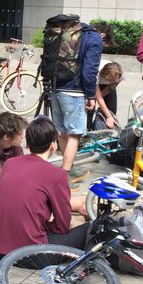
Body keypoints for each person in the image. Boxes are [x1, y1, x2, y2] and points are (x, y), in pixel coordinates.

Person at [0, 116, 88, 258]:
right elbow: (62, 226)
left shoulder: (10, 163)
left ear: (28, 145)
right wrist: (46, 226)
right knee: (92, 228)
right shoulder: (57, 175)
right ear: (53, 145)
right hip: (31, 254)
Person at [47, 15, 103, 177]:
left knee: (63, 132)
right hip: (75, 91)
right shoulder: (93, 38)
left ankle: (69, 167)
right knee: (75, 134)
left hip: (56, 86)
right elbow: (90, 71)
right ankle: (65, 176)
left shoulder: (60, 32)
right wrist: (91, 95)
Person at [91, 61, 123, 130]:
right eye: (109, 80)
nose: (112, 82)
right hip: (92, 83)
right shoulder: (96, 72)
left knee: (111, 110)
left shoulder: (119, 76)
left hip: (106, 87)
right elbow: (98, 96)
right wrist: (93, 99)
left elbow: (108, 89)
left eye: (113, 81)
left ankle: (105, 130)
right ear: (104, 74)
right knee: (90, 107)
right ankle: (88, 128)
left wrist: (108, 115)